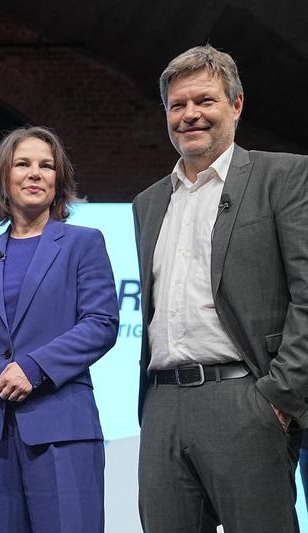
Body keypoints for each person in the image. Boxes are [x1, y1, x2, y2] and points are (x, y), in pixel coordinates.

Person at [133, 44, 308, 532]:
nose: (189, 114)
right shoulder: (148, 203)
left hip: (245, 397)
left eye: (204, 100)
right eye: (177, 105)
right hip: (162, 404)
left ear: (236, 104)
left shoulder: (284, 176)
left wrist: (279, 397)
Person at [0, 126, 119, 532]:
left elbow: (101, 323)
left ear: (59, 179)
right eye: (22, 164)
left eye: (46, 165)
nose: (35, 173)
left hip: (62, 430)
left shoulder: (83, 243)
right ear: (4, 177)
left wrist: (34, 367)